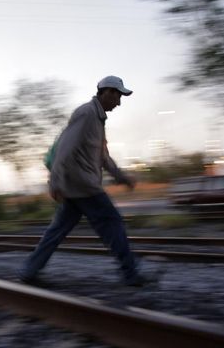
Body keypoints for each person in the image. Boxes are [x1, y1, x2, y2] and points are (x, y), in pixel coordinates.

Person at [18, 75, 153, 287]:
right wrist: (54, 183)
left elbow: (103, 157)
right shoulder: (86, 114)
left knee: (56, 231)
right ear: (107, 92)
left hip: (76, 188)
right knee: (113, 223)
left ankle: (29, 270)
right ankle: (131, 273)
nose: (119, 103)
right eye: (118, 97)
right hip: (84, 186)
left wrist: (121, 177)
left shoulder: (98, 119)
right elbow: (64, 150)